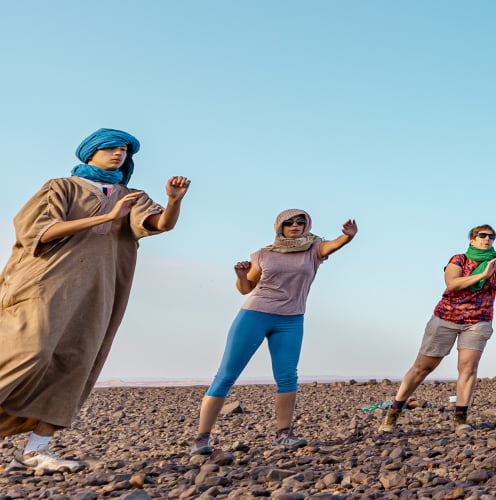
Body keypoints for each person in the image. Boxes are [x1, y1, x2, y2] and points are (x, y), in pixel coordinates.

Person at [0, 129, 191, 473]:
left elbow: (158, 223)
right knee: (29, 352)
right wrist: (105, 217)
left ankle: (34, 450)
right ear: (90, 152)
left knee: (76, 362)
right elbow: (38, 232)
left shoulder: (131, 196)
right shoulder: (61, 187)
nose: (118, 154)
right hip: (44, 284)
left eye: (123, 150)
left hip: (99, 290)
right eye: (110, 148)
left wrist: (174, 201)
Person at [191, 210, 357, 455]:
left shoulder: (314, 249)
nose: (295, 225)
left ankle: (284, 435)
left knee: (288, 376)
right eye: (289, 222)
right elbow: (246, 288)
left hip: (291, 320)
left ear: (307, 226)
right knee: (226, 375)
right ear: (280, 226)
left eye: (301, 222)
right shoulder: (263, 254)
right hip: (255, 314)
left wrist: (347, 236)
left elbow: (333, 246)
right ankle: (202, 439)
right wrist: (239, 275)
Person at [378, 224, 496, 433]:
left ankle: (461, 420)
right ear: (472, 240)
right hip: (446, 318)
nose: (487, 239)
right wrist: (482, 275)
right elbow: (452, 283)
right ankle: (393, 414)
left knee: (468, 368)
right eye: (482, 235)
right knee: (422, 367)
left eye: (491, 236)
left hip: (478, 321)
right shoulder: (458, 259)